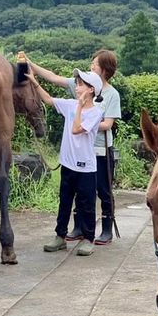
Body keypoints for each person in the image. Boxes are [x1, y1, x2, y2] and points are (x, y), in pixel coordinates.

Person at [28, 51, 121, 245]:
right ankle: (67, 232)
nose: (77, 86)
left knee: (98, 194)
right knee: (67, 199)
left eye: (95, 64)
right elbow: (50, 94)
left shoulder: (102, 104)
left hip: (97, 153)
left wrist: (83, 114)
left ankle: (98, 233)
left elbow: (81, 128)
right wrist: (32, 75)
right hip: (69, 161)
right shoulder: (73, 100)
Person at [23, 64, 104, 256]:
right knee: (64, 202)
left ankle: (88, 239)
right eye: (77, 83)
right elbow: (48, 100)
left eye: (81, 84)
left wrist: (79, 107)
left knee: (87, 205)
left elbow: (76, 129)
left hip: (86, 168)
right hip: (67, 165)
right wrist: (34, 82)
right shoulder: (69, 104)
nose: (77, 87)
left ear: (91, 90)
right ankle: (60, 236)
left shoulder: (96, 112)